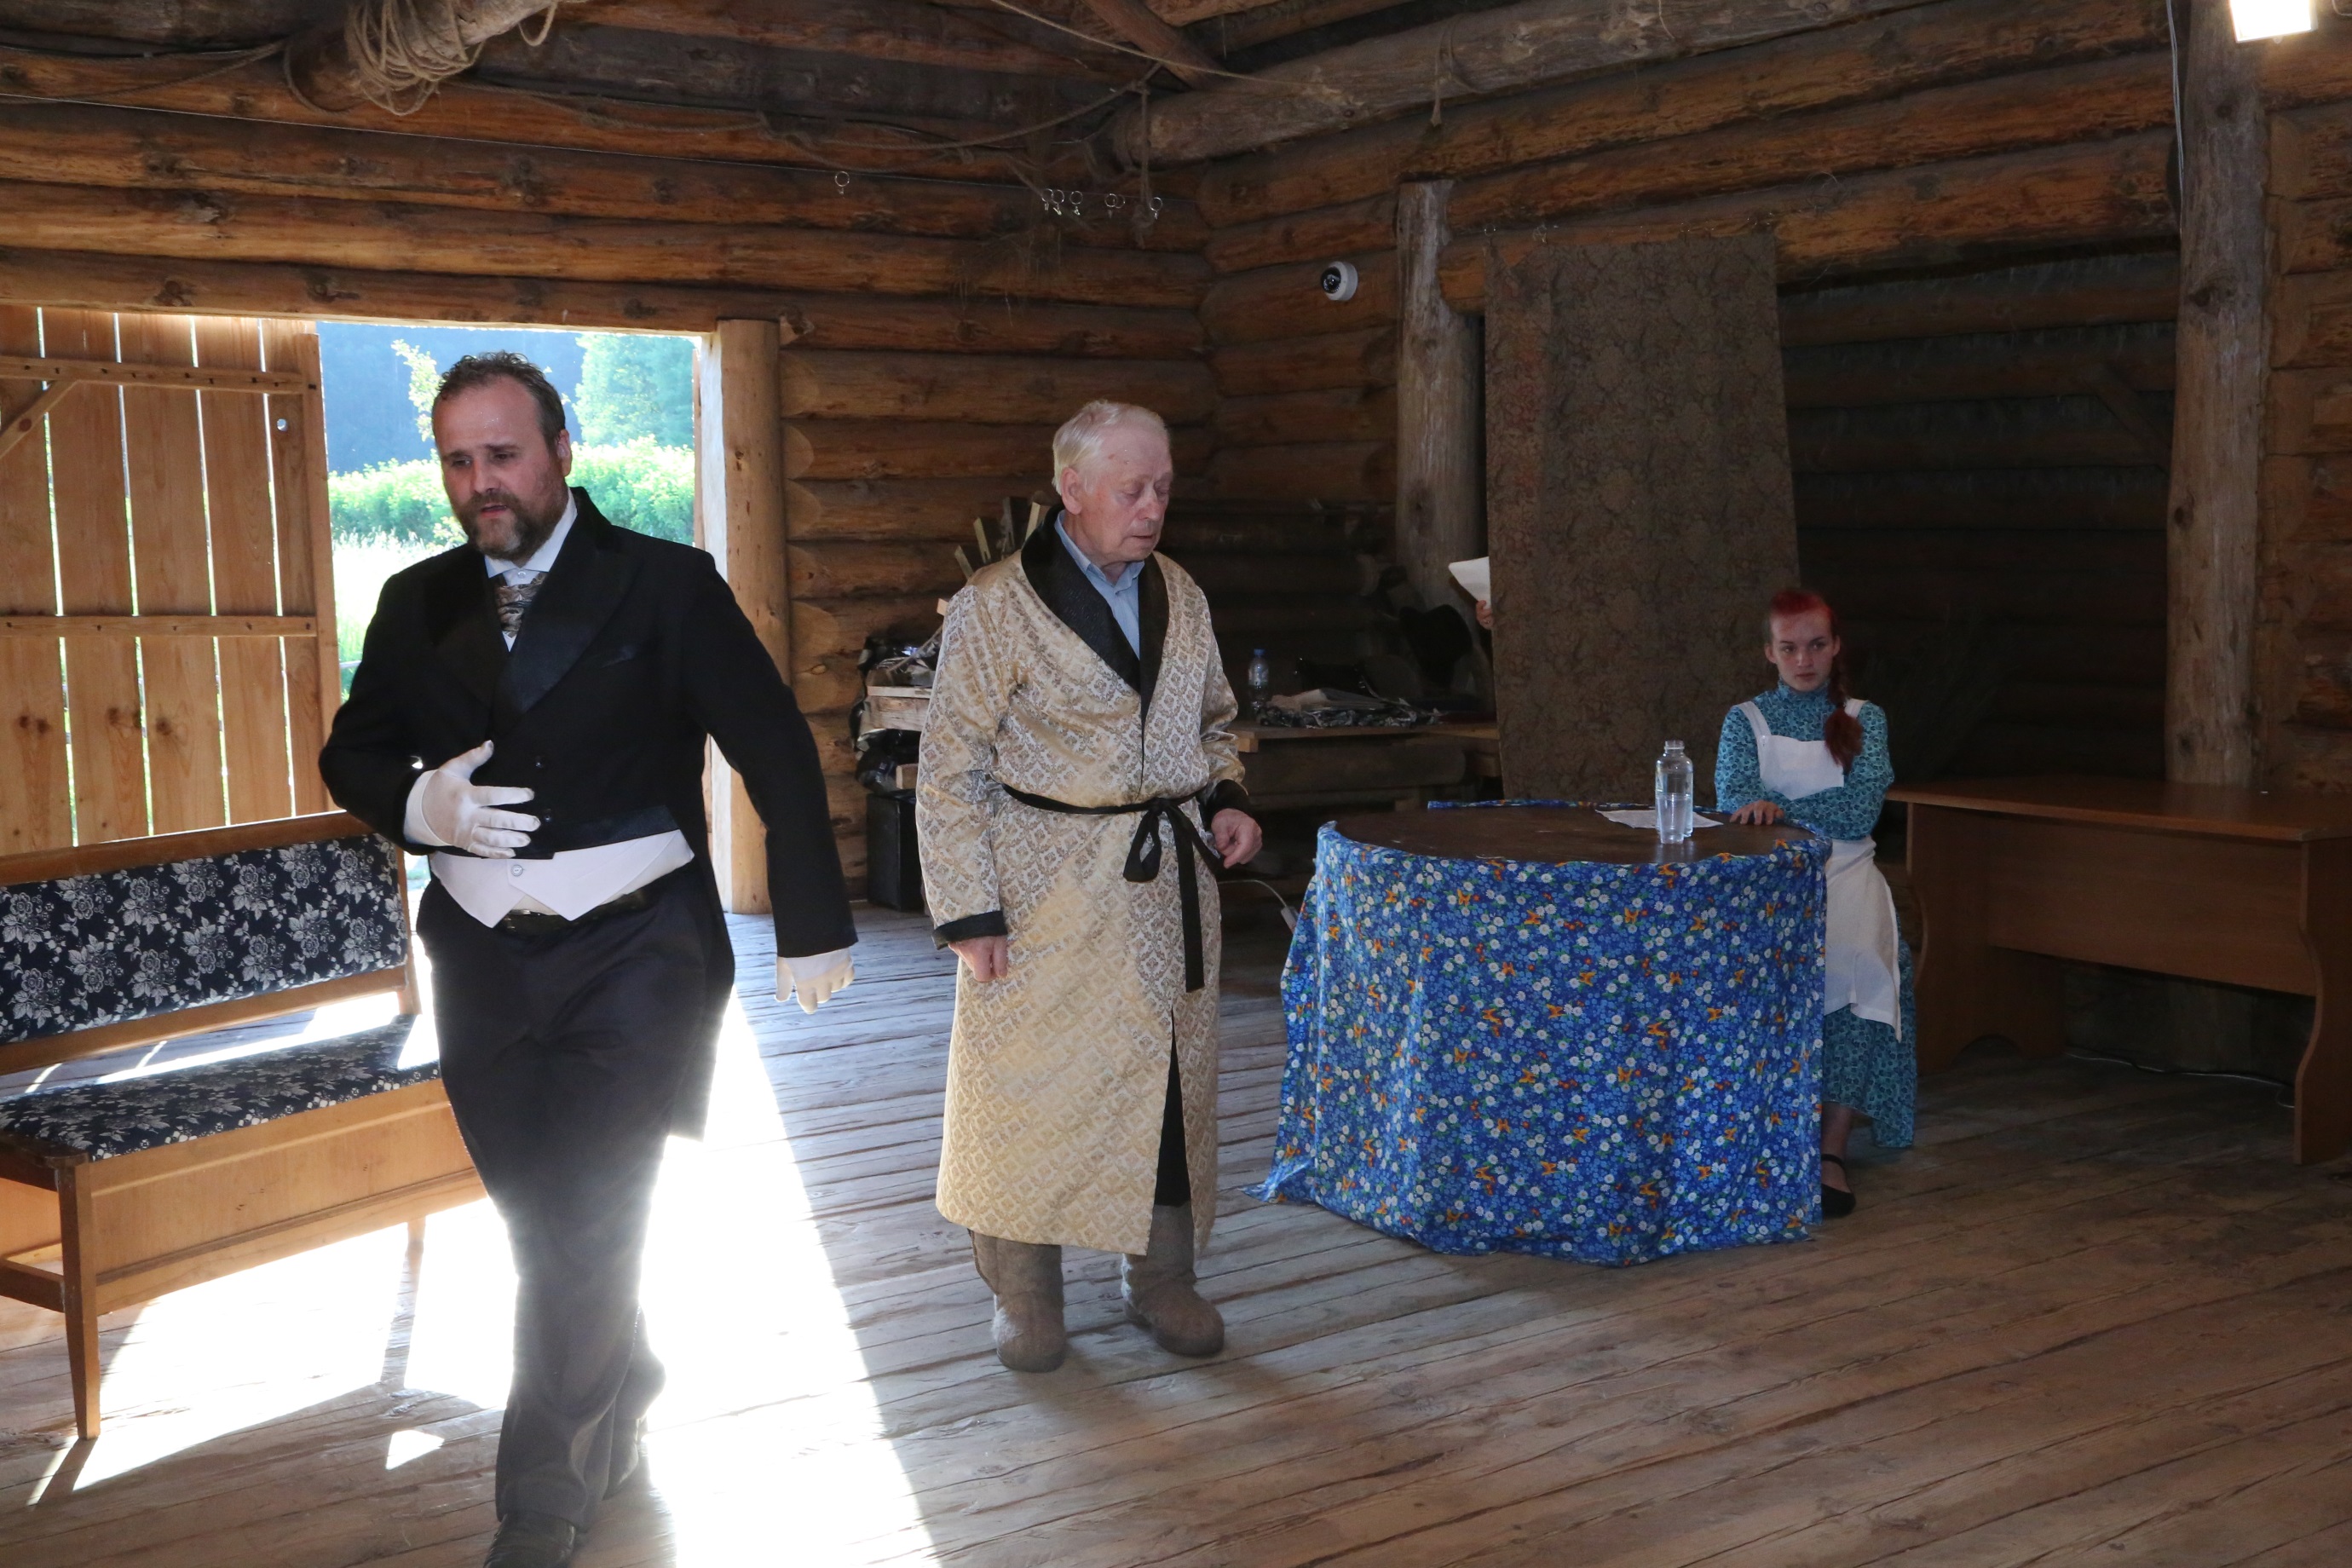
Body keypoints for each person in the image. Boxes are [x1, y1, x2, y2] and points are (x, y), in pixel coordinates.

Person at [320, 353, 856, 1568]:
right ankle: (629, 1370)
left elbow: (771, 741)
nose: (481, 482)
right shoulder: (414, 599)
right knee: (543, 1219)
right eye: (458, 461)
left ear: (562, 450)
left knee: (587, 1218)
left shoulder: (666, 584)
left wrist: (814, 918)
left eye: (503, 455)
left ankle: (541, 1501)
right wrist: (420, 806)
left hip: (637, 953)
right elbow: (353, 751)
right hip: (481, 962)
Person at [917, 400, 1264, 1373]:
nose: (1152, 508)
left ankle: (1162, 1277)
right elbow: (949, 767)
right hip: (1042, 887)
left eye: (1163, 489)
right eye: (1131, 489)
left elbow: (1214, 719)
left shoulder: (1181, 593)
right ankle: (1025, 1293)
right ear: (1071, 489)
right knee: (1030, 1089)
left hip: (1164, 891)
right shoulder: (996, 604)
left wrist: (1225, 795)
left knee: (1164, 1085)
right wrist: (968, 910)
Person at [1715, 588, 1913, 1219]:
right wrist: (1762, 813)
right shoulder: (1745, 720)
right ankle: (1768, 1134)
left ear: (1836, 647)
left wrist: (1778, 809)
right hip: (1772, 886)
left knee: (1859, 970)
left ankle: (1831, 1150)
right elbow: (1735, 804)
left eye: (1816, 645)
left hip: (1847, 874)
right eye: (1790, 648)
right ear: (1769, 653)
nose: (1804, 660)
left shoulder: (1863, 718)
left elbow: (1859, 812)